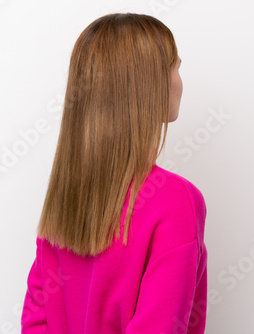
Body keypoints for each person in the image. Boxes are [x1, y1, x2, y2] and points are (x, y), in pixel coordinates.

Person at [20, 13, 208, 334]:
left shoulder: (65, 196)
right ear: (149, 84)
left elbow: (37, 323)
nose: (179, 80)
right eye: (175, 67)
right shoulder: (176, 200)